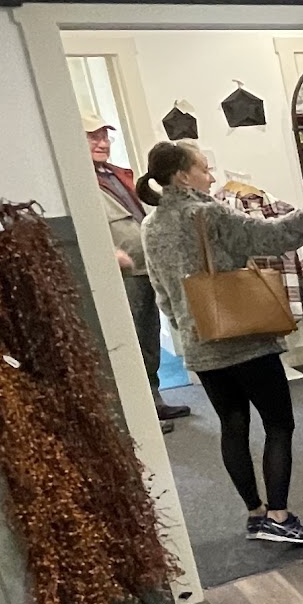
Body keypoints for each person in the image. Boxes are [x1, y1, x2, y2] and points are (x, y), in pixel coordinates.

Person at [138, 140, 303, 546]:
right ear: (183, 176)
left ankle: (255, 515)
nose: (211, 176)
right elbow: (278, 235)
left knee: (232, 425)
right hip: (245, 339)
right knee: (279, 423)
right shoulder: (209, 213)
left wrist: (188, 325)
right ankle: (279, 516)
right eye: (203, 168)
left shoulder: (151, 225)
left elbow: (161, 292)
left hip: (201, 343)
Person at [84, 111, 192, 429]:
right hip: (119, 276)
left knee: (147, 337)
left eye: (105, 136)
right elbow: (81, 229)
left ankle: (152, 401)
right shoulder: (77, 182)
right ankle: (138, 414)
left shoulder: (117, 174)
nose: (102, 143)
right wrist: (106, 254)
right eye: (93, 137)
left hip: (146, 269)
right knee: (127, 342)